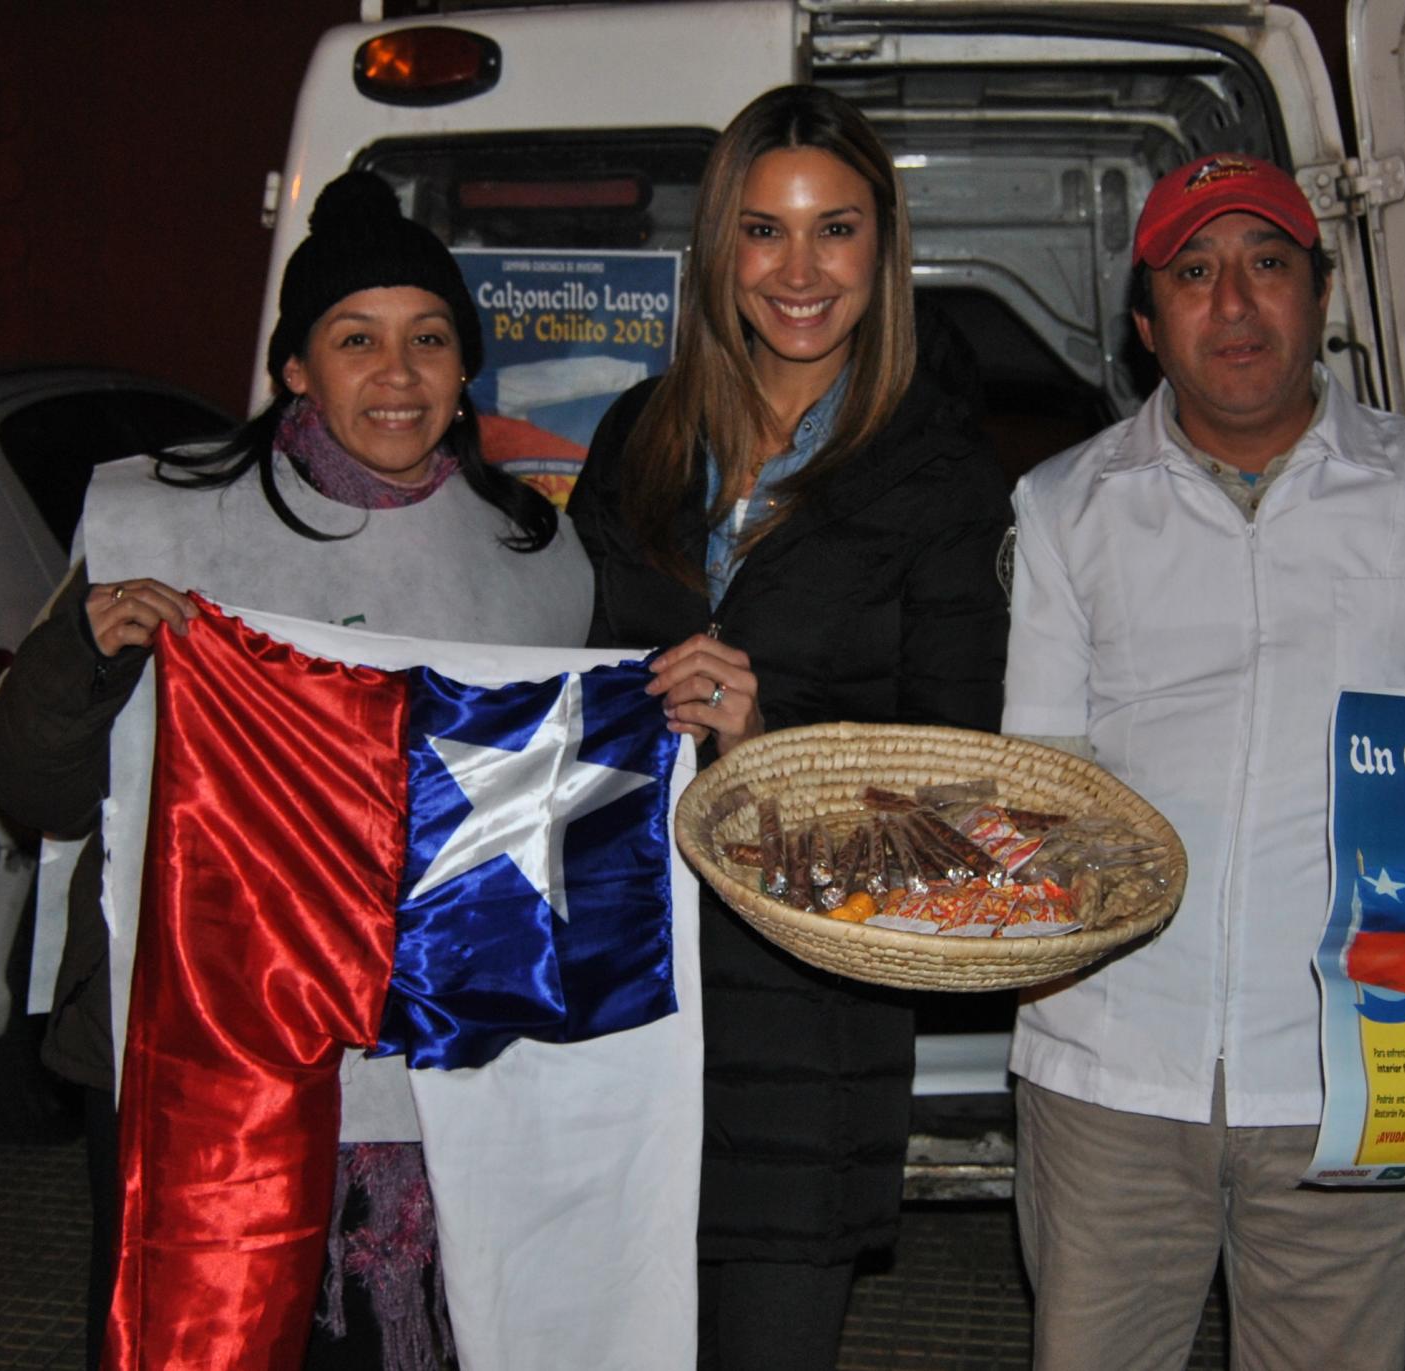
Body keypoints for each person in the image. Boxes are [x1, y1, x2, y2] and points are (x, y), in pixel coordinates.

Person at [1001, 152, 1405, 1371]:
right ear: (1146, 323)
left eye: (1266, 264)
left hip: (1354, 1062)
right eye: (1193, 272)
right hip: (1107, 1059)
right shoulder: (1065, 504)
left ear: (1319, 295)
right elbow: (1043, 780)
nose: (1233, 304)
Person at [0, 171, 589, 1369]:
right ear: (296, 369)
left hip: (429, 1056)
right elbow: (36, 788)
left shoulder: (536, 556)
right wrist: (89, 655)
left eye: (428, 340)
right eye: (355, 340)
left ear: (466, 370)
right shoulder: (165, 524)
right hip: (186, 1047)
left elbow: (552, 805)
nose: (397, 375)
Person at [565, 84, 1012, 1370]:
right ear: (719, 252)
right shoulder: (637, 440)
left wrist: (770, 738)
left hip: (803, 1022)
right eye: (763, 231)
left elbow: (954, 798)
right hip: (620, 997)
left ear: (885, 248)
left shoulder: (939, 474)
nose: (799, 272)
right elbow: (561, 683)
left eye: (836, 230)